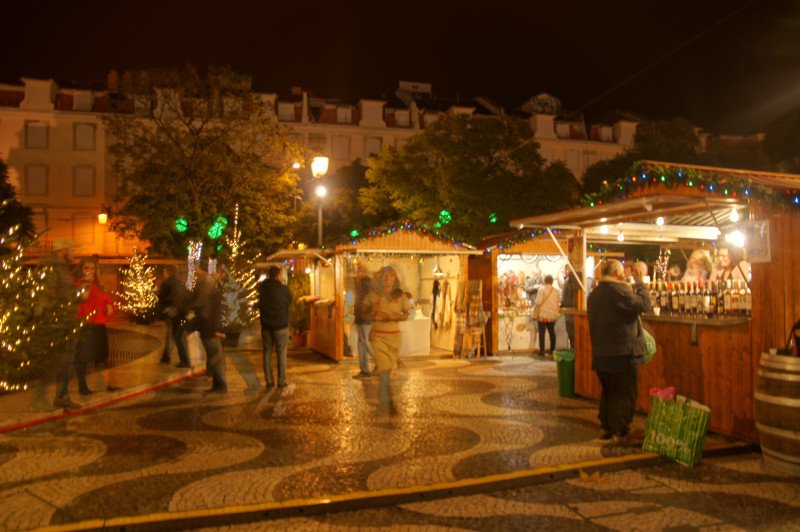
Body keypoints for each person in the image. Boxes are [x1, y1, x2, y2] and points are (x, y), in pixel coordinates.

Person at [587, 259, 650, 443]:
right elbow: (643, 304)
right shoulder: (618, 291)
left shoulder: (595, 294)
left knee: (609, 392)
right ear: (616, 273)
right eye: (622, 272)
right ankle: (620, 430)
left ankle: (606, 427)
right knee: (624, 392)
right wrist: (640, 283)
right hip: (622, 352)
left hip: (601, 353)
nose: (624, 275)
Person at [37, 239, 82, 410]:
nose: (74, 254)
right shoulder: (52, 267)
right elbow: (52, 293)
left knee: (67, 360)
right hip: (56, 321)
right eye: (72, 250)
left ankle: (61, 396)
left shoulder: (61, 267)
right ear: (63, 250)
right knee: (56, 361)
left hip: (64, 320)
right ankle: (39, 399)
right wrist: (77, 292)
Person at [365, 266, 410, 410]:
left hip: (394, 338)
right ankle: (387, 401)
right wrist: (375, 315)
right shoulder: (373, 295)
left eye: (391, 276)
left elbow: (406, 314)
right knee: (384, 369)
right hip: (378, 337)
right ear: (380, 279)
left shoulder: (401, 295)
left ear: (395, 279)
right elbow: (363, 313)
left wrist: (394, 317)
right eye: (385, 276)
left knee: (387, 370)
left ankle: (384, 398)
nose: (388, 279)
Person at [74, 258, 115, 396]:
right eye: (86, 268)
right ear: (81, 269)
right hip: (85, 324)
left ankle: (105, 384)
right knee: (83, 357)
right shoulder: (79, 284)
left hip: (99, 323)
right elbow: (80, 298)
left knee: (101, 357)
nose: (90, 271)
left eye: (92, 269)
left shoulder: (99, 284)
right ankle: (82, 386)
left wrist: (109, 304)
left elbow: (105, 297)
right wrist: (85, 283)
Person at [190, 261, 227, 393]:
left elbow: (213, 308)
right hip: (212, 325)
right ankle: (218, 386)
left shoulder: (208, 282)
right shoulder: (214, 283)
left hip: (211, 325)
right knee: (215, 356)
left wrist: (217, 329)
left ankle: (221, 386)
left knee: (215, 357)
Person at [258, 266, 293, 388]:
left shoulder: (262, 288)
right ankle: (281, 381)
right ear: (278, 275)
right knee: (281, 353)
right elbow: (289, 301)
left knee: (267, 352)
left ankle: (269, 381)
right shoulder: (283, 289)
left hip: (266, 326)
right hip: (280, 325)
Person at [157, 264, 191, 368]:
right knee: (174, 335)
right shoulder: (179, 283)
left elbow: (162, 299)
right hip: (180, 312)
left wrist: (162, 312)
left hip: (172, 312)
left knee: (175, 336)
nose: (163, 273)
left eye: (165, 271)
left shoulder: (167, 283)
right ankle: (166, 357)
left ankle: (183, 360)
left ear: (168, 272)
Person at [352, 265, 375, 379]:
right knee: (361, 343)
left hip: (365, 318)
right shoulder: (360, 283)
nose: (356, 273)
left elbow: (368, 301)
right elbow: (359, 300)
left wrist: (363, 314)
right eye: (356, 271)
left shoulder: (367, 284)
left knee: (365, 342)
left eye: (358, 271)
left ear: (363, 272)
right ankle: (364, 370)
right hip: (361, 318)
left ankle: (380, 362)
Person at [533, 275, 561, 355]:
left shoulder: (542, 289)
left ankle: (542, 351)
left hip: (543, 314)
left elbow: (538, 302)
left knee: (542, 333)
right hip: (552, 314)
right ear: (552, 281)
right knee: (552, 332)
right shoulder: (556, 290)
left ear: (545, 281)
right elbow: (558, 302)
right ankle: (552, 350)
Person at [561, 267, 581, 349]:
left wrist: (562, 305)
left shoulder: (567, 282)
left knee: (571, 332)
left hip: (569, 310)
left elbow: (564, 297)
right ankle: (576, 352)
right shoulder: (580, 283)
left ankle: (574, 351)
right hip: (576, 309)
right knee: (577, 333)